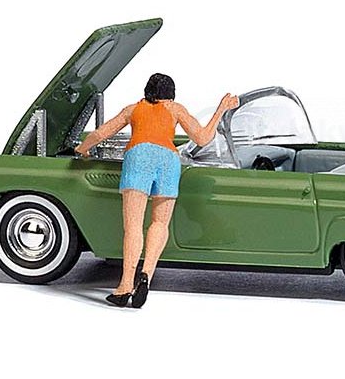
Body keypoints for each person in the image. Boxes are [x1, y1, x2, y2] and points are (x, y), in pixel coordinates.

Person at [74, 73, 239, 308]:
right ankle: (146, 275)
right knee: (160, 223)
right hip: (169, 161)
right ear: (170, 95)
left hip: (139, 157)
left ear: (147, 91)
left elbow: (101, 133)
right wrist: (221, 109)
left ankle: (125, 285)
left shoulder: (133, 109)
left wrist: (82, 149)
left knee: (133, 226)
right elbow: (203, 138)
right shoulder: (175, 109)